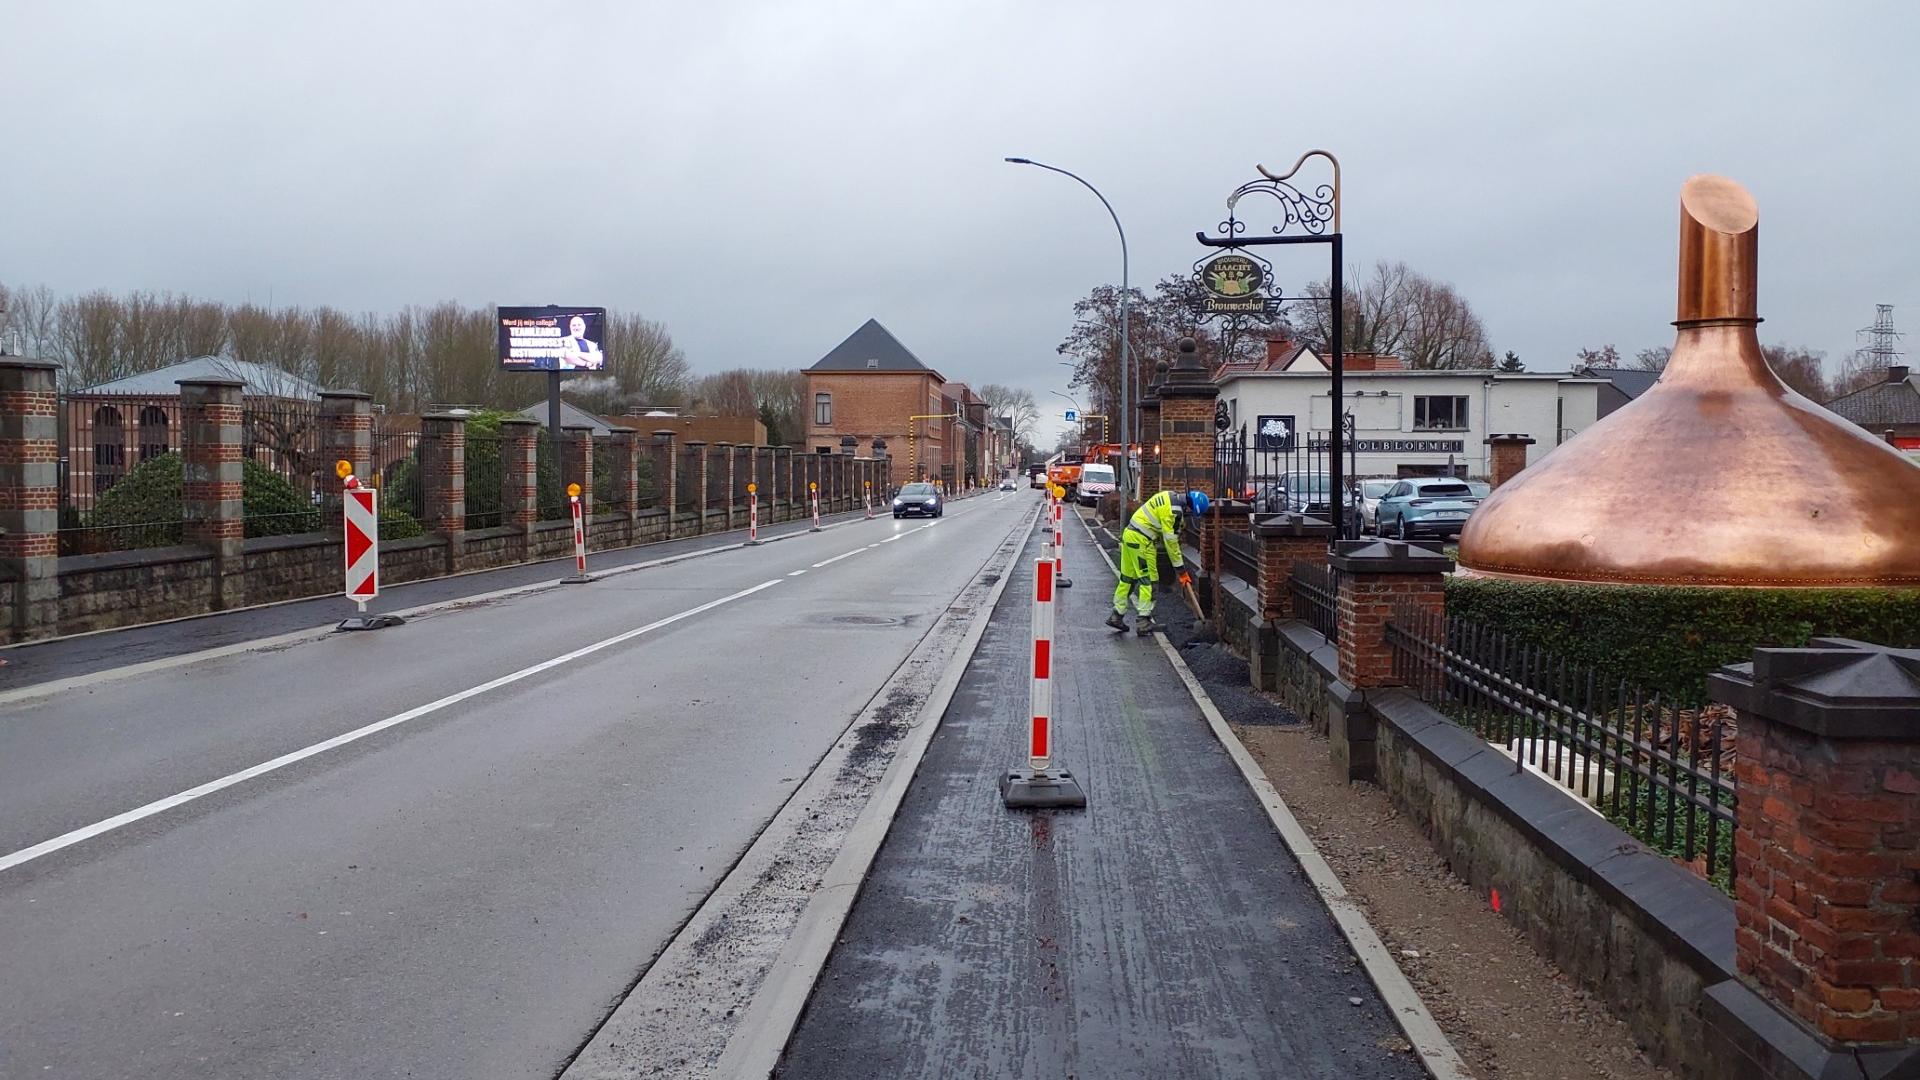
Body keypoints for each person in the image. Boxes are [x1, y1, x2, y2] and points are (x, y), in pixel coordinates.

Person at [1108, 489, 1209, 635]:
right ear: (1191, 508)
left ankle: (1116, 615)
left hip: (1130, 536)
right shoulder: (1174, 512)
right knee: (1149, 581)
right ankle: (1143, 621)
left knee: (1127, 579)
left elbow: (1160, 525)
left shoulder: (1170, 496)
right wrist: (1181, 570)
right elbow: (1171, 542)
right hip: (1142, 541)